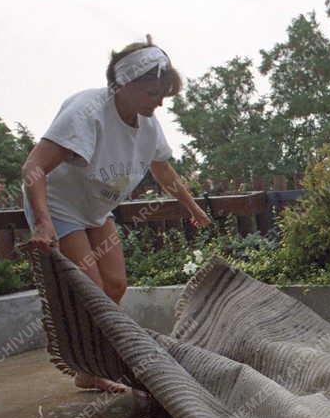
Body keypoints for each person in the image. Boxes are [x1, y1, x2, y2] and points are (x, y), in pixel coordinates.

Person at [22, 37, 210, 392]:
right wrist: (43, 221)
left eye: (164, 93)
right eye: (154, 92)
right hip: (60, 206)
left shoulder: (148, 124)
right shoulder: (87, 111)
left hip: (96, 209)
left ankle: (89, 364)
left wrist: (193, 207)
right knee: (90, 287)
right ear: (125, 84)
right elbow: (33, 167)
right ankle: (91, 367)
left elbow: (164, 172)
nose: (160, 101)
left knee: (116, 284)